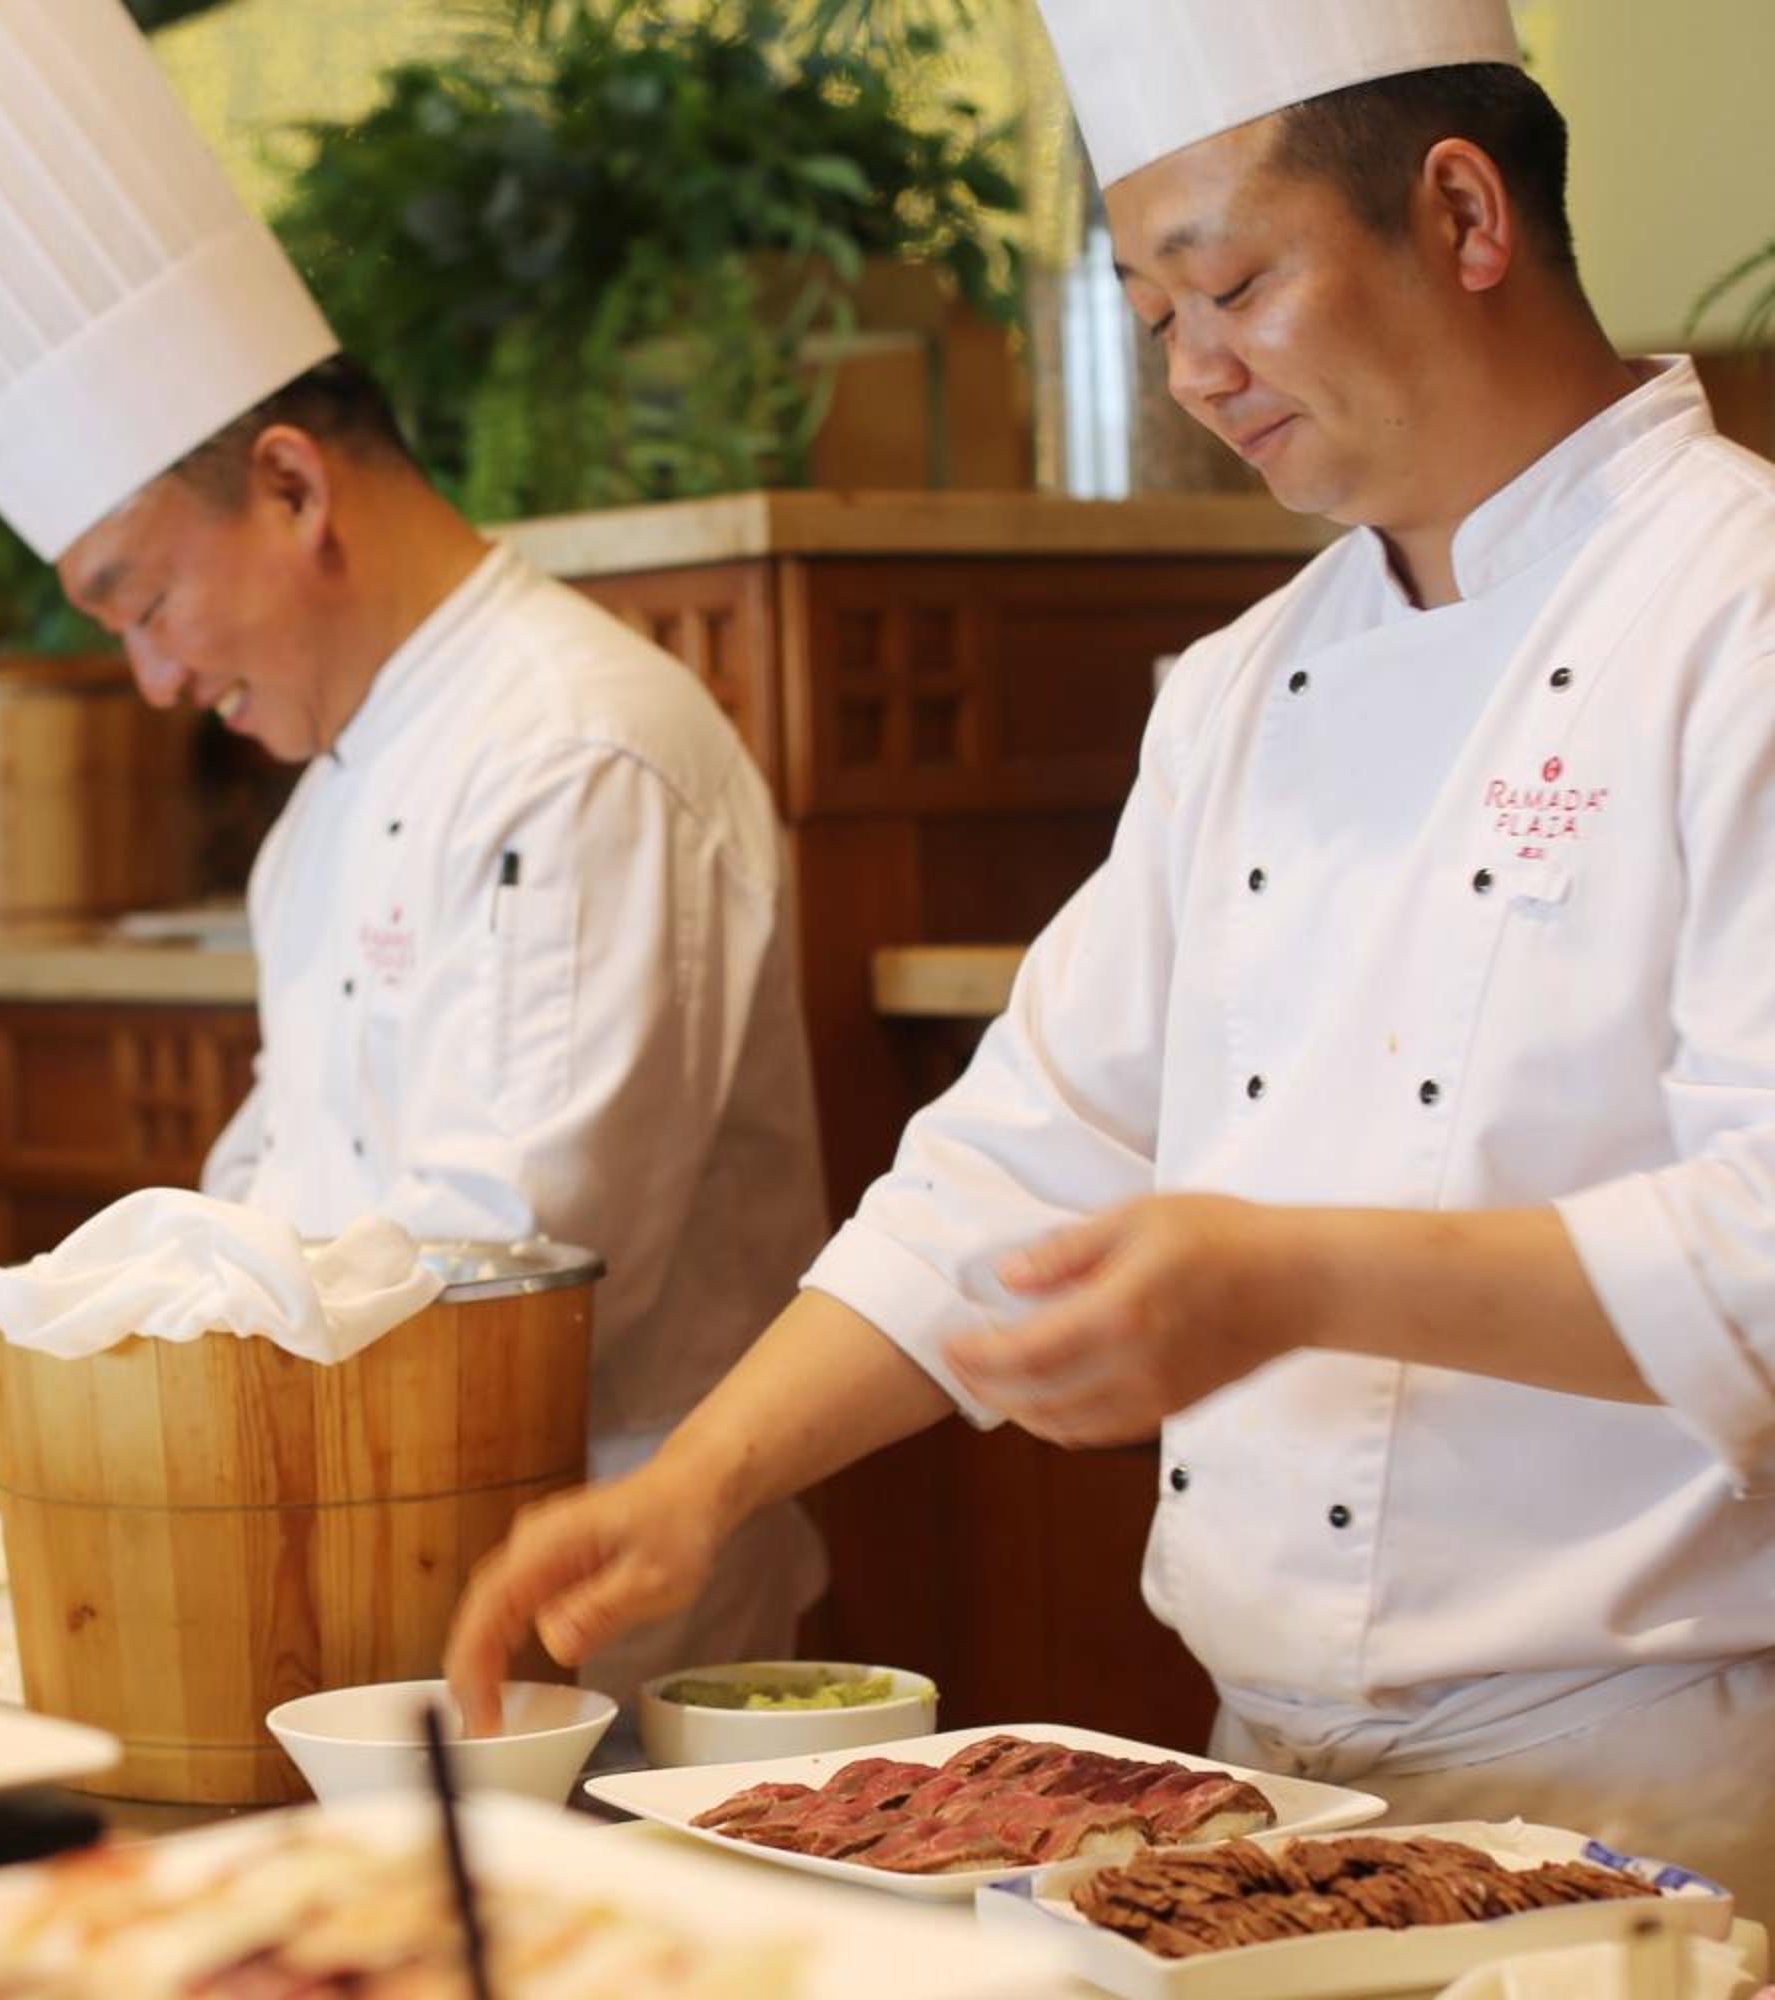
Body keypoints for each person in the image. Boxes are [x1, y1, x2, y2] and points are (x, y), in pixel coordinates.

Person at [448, 0, 1775, 1907]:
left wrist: (1285, 1276)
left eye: (1230, 286)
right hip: (1259, 1790)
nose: (1197, 373)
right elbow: (1018, 1158)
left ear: (1464, 213)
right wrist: (701, 1484)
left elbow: (1760, 1245)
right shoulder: (1242, 688)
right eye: (1156, 318)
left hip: (1656, 1796)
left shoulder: (1737, 610)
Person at [0, 0, 833, 1688]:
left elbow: (506, 1283)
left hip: (593, 1644)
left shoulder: (579, 748)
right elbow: (266, 1195)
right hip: (348, 1578)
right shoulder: (325, 811)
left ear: (293, 486)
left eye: (144, 600)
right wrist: (95, 1364)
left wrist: (144, 1382)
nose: (155, 680)